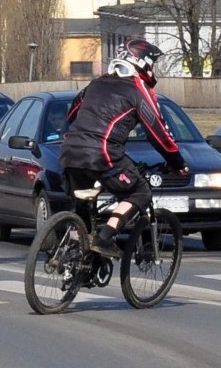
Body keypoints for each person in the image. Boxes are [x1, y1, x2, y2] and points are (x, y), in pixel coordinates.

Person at [59, 39, 188, 259]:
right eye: (152, 63)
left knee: (82, 201)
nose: (153, 69)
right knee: (139, 192)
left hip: (69, 151)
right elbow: (159, 133)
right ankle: (105, 238)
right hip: (104, 153)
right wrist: (178, 163)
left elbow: (72, 115)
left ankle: (73, 255)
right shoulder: (138, 90)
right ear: (143, 63)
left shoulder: (96, 84)